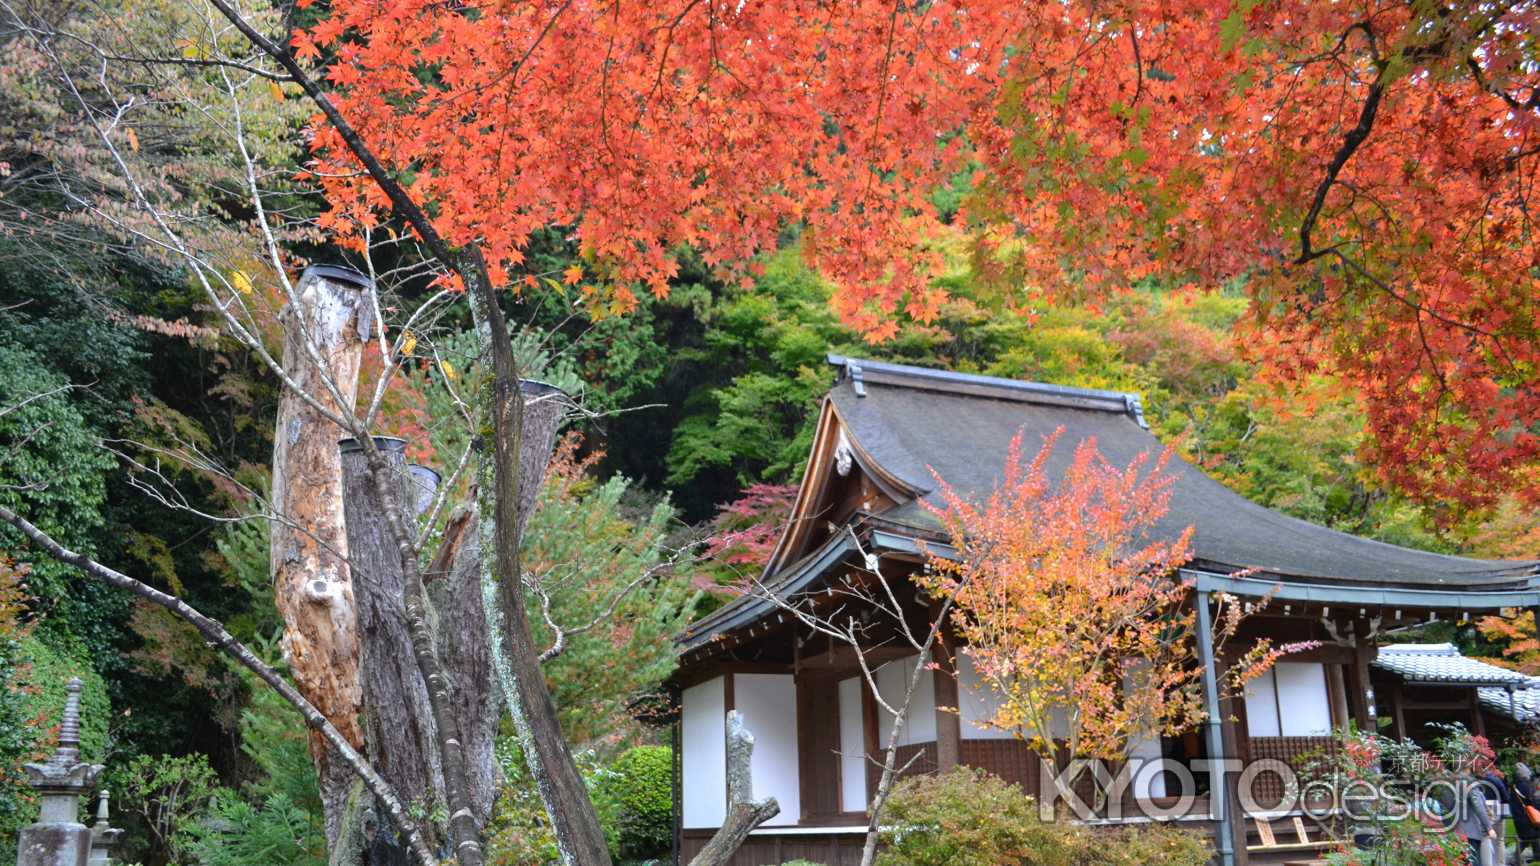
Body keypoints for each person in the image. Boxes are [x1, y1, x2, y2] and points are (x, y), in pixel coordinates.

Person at [1512, 763, 1540, 865]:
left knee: (1532, 836)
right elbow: (1532, 801)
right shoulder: (1525, 786)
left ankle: (1537, 856)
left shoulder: (1516, 786)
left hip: (1520, 817)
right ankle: (1515, 860)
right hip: (1526, 817)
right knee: (1527, 838)